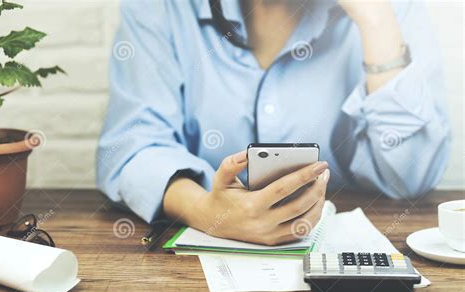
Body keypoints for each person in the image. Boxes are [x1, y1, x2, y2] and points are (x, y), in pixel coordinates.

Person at [97, 0, 450, 245]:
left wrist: (376, 20)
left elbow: (409, 176)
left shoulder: (395, 9)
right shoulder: (159, 8)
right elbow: (131, 147)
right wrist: (206, 211)